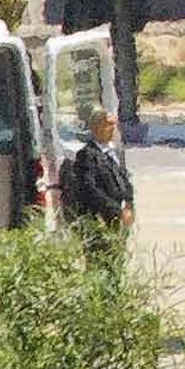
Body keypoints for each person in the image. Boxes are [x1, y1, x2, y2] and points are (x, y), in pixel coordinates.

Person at [68, 108, 134, 273]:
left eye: (114, 125)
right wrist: (115, 210)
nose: (112, 129)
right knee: (101, 264)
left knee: (117, 262)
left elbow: (125, 181)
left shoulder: (114, 153)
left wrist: (128, 206)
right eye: (108, 125)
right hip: (100, 220)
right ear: (97, 128)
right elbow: (90, 189)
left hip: (117, 220)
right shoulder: (87, 156)